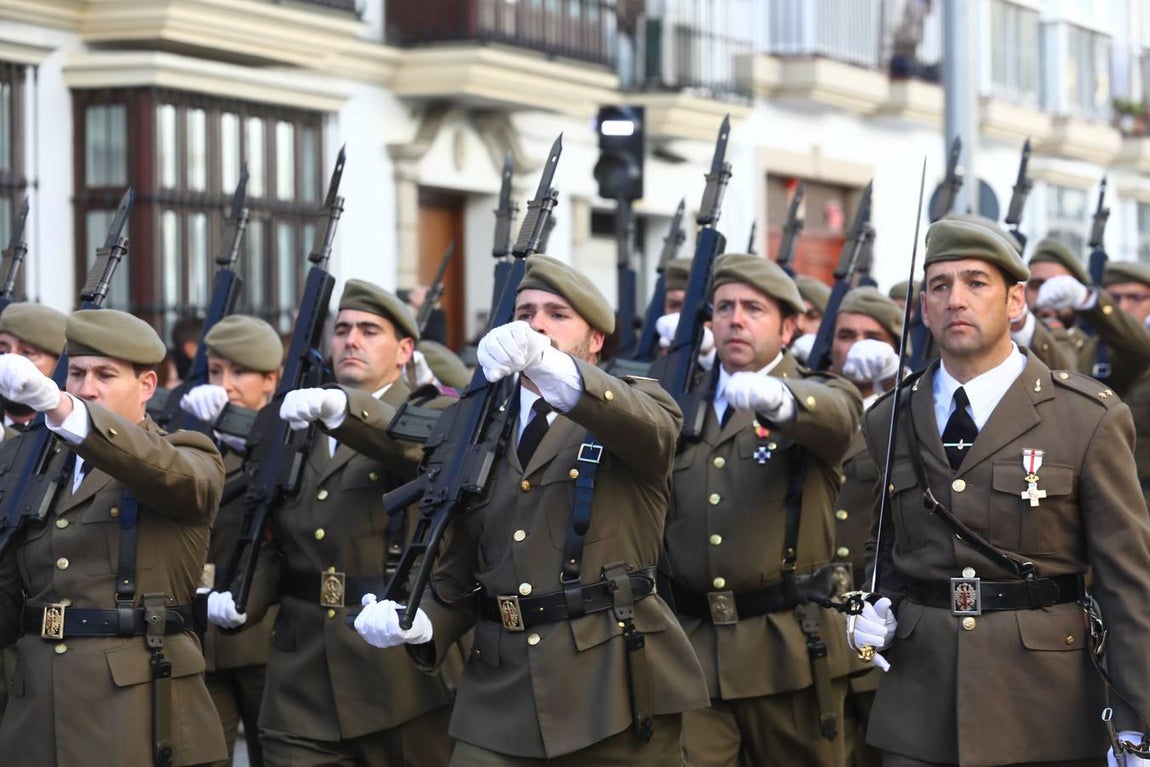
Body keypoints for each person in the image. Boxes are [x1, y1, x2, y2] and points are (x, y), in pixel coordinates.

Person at [354, 254, 709, 765]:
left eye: (557, 315)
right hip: (500, 689)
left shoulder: (635, 405)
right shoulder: (469, 425)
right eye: (525, 314)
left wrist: (551, 366)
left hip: (612, 684)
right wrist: (423, 621)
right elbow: (460, 564)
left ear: (596, 341)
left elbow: (655, 433)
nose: (537, 325)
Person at [850, 217, 1150, 765]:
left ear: (1016, 302)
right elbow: (885, 547)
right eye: (939, 286)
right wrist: (873, 608)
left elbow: (1128, 587)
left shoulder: (1086, 419)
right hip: (921, 711)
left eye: (975, 282)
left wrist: (1137, 725)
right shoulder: (889, 419)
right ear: (923, 309)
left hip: (1043, 709)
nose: (955, 299)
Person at [206, 280, 457, 766]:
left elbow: (418, 455)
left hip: (398, 678)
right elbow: (278, 540)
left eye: (369, 330)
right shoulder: (300, 420)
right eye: (342, 330)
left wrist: (346, 414)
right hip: (301, 675)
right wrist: (245, 599)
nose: (352, 341)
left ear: (405, 349)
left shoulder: (434, 412)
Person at [0, 308, 227, 766]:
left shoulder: (189, 453)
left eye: (105, 374)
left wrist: (64, 411)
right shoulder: (30, 462)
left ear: (147, 386)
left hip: (135, 712)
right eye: (77, 373)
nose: (86, 388)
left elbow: (176, 479)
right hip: (36, 711)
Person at [662, 253, 862, 766]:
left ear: (789, 327)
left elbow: (839, 417)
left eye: (754, 308)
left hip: (789, 648)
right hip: (697, 649)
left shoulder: (818, 394)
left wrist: (783, 399)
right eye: (725, 307)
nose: (736, 319)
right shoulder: (684, 404)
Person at [177, 315, 283, 767]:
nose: (225, 385)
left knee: (274, 754)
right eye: (216, 371)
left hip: (262, 635)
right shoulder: (191, 439)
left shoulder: (285, 440)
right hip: (200, 635)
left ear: (271, 381)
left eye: (239, 372)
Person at [827, 286, 903, 767]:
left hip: (879, 613)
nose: (857, 346)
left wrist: (897, 383)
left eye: (872, 336)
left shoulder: (910, 411)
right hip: (816, 616)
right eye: (845, 335)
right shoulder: (800, 406)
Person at [1025, 235, 1150, 396]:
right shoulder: (1010, 339)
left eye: (1059, 284)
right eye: (1037, 285)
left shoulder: (1095, 349)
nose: (1047, 293)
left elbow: (1140, 350)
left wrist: (1085, 299)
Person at [1096, 261, 1150, 506]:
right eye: (1114, 298)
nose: (1123, 307)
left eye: (1135, 297)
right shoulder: (1090, 347)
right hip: (1102, 492)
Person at [0, 303, 66, 437]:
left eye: (27, 353)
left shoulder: (67, 432)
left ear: (59, 364)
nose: (11, 361)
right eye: (2, 351)